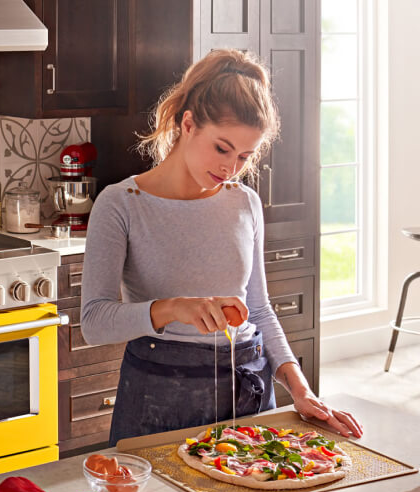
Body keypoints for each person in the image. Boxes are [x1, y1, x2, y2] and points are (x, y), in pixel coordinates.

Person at [80, 49, 363, 446]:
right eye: (222, 148)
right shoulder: (122, 203)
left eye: (245, 156)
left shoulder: (244, 202)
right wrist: (174, 308)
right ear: (189, 125)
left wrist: (302, 390)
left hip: (249, 392)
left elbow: (259, 309)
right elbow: (94, 322)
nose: (231, 168)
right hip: (159, 400)